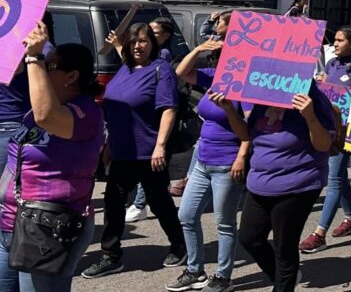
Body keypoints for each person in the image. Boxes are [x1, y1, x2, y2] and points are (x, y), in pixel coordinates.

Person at [0, 22, 103, 292]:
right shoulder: (33, 111)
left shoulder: (85, 113)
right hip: (11, 222)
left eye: (51, 65)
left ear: (72, 76)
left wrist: (35, 57)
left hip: (47, 228)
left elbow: (47, 117)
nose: (43, 69)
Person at [82, 23, 186, 278]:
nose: (138, 46)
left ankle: (180, 245)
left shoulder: (160, 69)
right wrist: (109, 144)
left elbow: (169, 109)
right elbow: (117, 110)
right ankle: (110, 256)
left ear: (153, 44)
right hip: (121, 151)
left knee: (159, 202)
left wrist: (160, 146)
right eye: (133, 41)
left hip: (148, 152)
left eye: (143, 41)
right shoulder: (125, 69)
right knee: (113, 203)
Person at [217, 82, 334, 292]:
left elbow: (324, 144)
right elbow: (246, 135)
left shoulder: (314, 99)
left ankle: (283, 285)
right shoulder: (267, 94)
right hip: (260, 182)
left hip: (297, 185)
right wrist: (229, 109)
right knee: (250, 238)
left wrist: (309, 116)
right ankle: (284, 279)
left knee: (284, 249)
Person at [167, 22, 248, 292]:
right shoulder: (215, 76)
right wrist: (198, 49)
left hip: (227, 163)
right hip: (202, 160)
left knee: (225, 223)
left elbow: (249, 129)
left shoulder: (246, 86)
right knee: (186, 215)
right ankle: (195, 271)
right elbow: (180, 72)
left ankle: (223, 277)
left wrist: (241, 157)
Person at [299, 28, 351, 253]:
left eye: (340, 40)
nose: (335, 44)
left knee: (333, 177)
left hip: (347, 129)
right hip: (328, 126)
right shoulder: (332, 63)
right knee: (339, 175)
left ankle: (320, 234)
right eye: (334, 40)